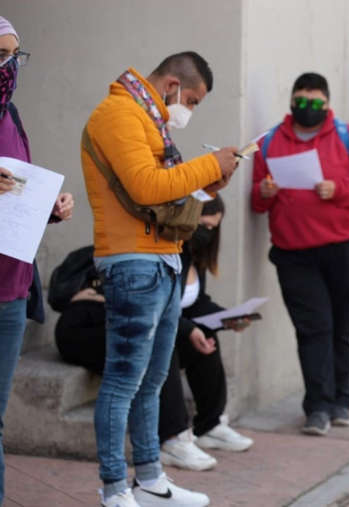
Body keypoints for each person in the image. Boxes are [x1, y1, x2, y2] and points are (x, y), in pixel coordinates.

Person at [81, 52, 239, 506]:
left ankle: (150, 481)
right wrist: (210, 166)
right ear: (170, 85)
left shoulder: (149, 119)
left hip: (162, 259)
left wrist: (209, 188)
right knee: (123, 381)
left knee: (152, 381)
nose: (188, 110)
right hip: (132, 262)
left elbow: (165, 192)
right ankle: (114, 489)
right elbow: (146, 186)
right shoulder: (119, 113)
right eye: (190, 99)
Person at [55, 198, 253, 475]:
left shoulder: (191, 255)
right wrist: (188, 328)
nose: (207, 233)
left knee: (202, 338)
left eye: (213, 228)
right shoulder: (159, 251)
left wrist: (227, 318)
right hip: (87, 328)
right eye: (204, 225)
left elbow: (191, 305)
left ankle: (210, 425)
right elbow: (151, 305)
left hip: (139, 323)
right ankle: (172, 440)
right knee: (162, 343)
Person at [252, 72, 349, 436]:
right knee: (313, 328)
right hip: (295, 253)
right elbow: (257, 202)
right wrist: (264, 190)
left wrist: (337, 189)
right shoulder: (270, 142)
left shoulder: (348, 137)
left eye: (314, 103)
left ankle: (341, 400)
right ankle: (317, 407)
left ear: (326, 105)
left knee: (340, 327)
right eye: (300, 101)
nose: (306, 109)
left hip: (346, 248)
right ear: (291, 102)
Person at [0, 17, 73, 506]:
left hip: (10, 290)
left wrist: (49, 207)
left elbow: (15, 195)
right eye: (1, 55)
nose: (9, 67)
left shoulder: (12, 114)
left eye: (14, 56)